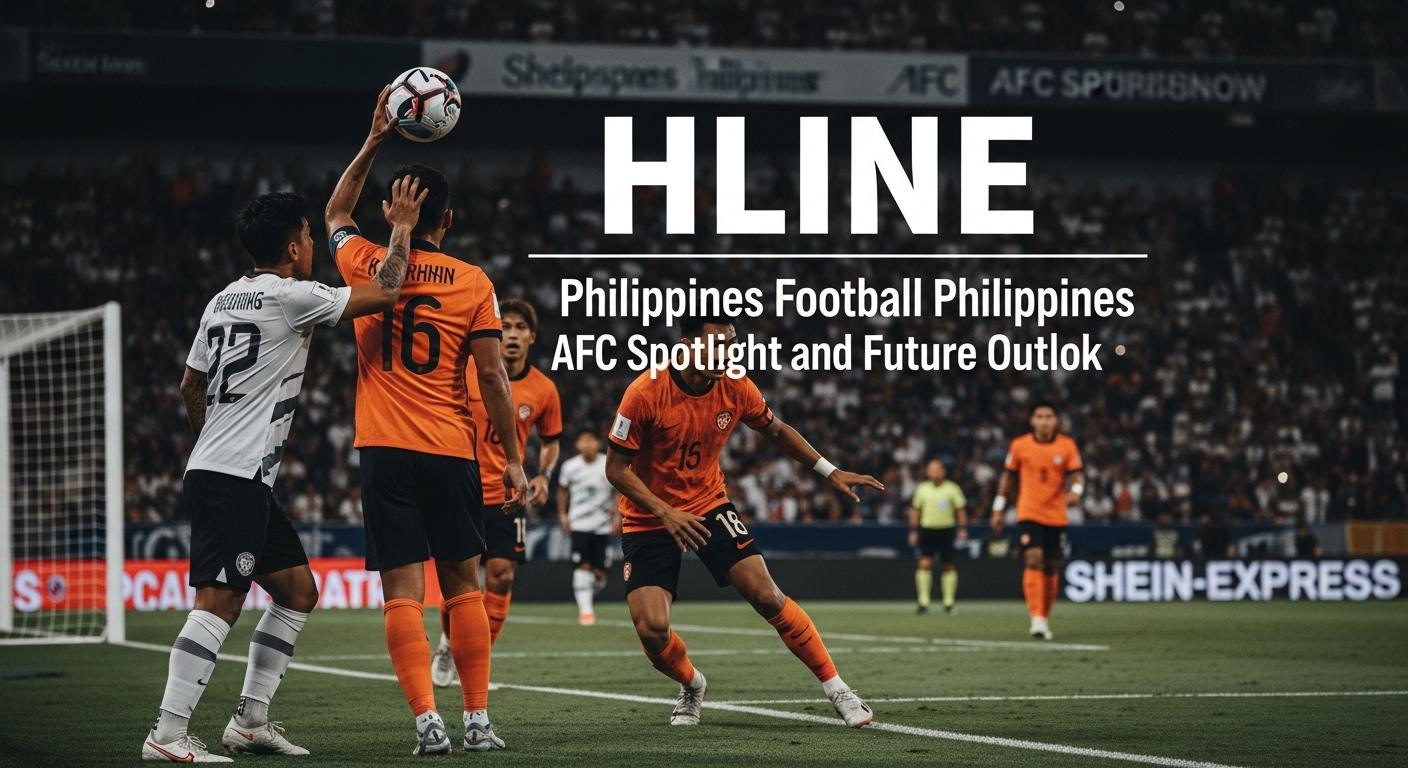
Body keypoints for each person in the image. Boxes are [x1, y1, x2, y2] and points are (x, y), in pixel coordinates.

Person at [141, 181, 424, 762]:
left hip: (228, 471)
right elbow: (388, 291)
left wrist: (213, 442)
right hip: (231, 476)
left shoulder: (221, 300)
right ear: (295, 245)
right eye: (309, 234)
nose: (313, 243)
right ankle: (167, 734)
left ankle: (249, 721)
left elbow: (190, 384)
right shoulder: (291, 296)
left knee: (297, 591)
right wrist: (400, 227)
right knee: (219, 601)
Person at [325, 87, 528, 755]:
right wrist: (515, 458)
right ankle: (476, 721)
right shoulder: (473, 282)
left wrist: (377, 137)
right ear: (452, 218)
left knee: (402, 594)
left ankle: (426, 724)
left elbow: (333, 212)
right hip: (450, 447)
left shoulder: (362, 262)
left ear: (393, 211)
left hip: (383, 447)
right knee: (462, 586)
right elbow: (495, 379)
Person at [605, 315, 881, 728]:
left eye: (731, 344)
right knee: (652, 629)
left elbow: (776, 430)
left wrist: (830, 470)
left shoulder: (736, 384)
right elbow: (616, 469)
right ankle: (692, 684)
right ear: (686, 344)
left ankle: (837, 687)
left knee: (768, 595)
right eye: (717, 343)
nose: (727, 353)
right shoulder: (645, 392)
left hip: (708, 504)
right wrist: (665, 512)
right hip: (650, 515)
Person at [432, 298, 562, 687]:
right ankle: (447, 644)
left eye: (521, 328)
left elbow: (552, 439)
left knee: (501, 576)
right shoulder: (470, 370)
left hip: (508, 497)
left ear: (532, 338)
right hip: (463, 490)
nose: (512, 335)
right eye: (505, 327)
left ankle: (475, 661)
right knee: (463, 579)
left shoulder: (544, 389)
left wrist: (545, 474)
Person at [992, 401, 1083, 640]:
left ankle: (1044, 614)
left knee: (1052, 566)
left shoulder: (1067, 445)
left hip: (1057, 514)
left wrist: (1076, 492)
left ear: (1056, 421)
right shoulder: (1020, 445)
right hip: (1029, 512)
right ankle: (1037, 619)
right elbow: (1007, 478)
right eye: (1039, 416)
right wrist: (999, 508)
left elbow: (1077, 476)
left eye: (1049, 416)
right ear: (1032, 420)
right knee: (1033, 559)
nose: (1044, 421)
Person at [557, 428, 619, 625]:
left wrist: (617, 515)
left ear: (598, 444)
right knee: (582, 566)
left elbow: (619, 491)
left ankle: (591, 590)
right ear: (577, 445)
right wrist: (563, 516)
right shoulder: (570, 467)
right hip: (579, 524)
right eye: (583, 441)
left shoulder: (607, 464)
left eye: (591, 440)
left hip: (602, 525)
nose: (587, 444)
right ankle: (586, 611)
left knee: (599, 574)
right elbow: (562, 491)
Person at [908, 459, 967, 614]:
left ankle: (948, 602)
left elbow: (960, 510)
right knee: (924, 564)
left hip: (946, 529)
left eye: (937, 469)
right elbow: (916, 510)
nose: (934, 472)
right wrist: (913, 530)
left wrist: (962, 528)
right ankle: (923, 602)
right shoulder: (922, 489)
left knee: (948, 565)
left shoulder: (952, 489)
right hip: (927, 529)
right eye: (931, 469)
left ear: (943, 471)